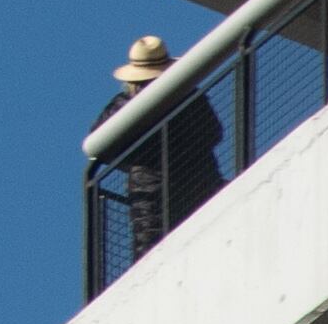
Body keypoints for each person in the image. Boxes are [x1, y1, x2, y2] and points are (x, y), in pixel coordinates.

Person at [97, 34, 229, 263]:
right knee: (169, 252)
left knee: (156, 255)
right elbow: (213, 133)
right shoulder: (186, 96)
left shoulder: (125, 105)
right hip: (187, 186)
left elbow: (101, 146)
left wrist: (143, 154)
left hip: (160, 192)